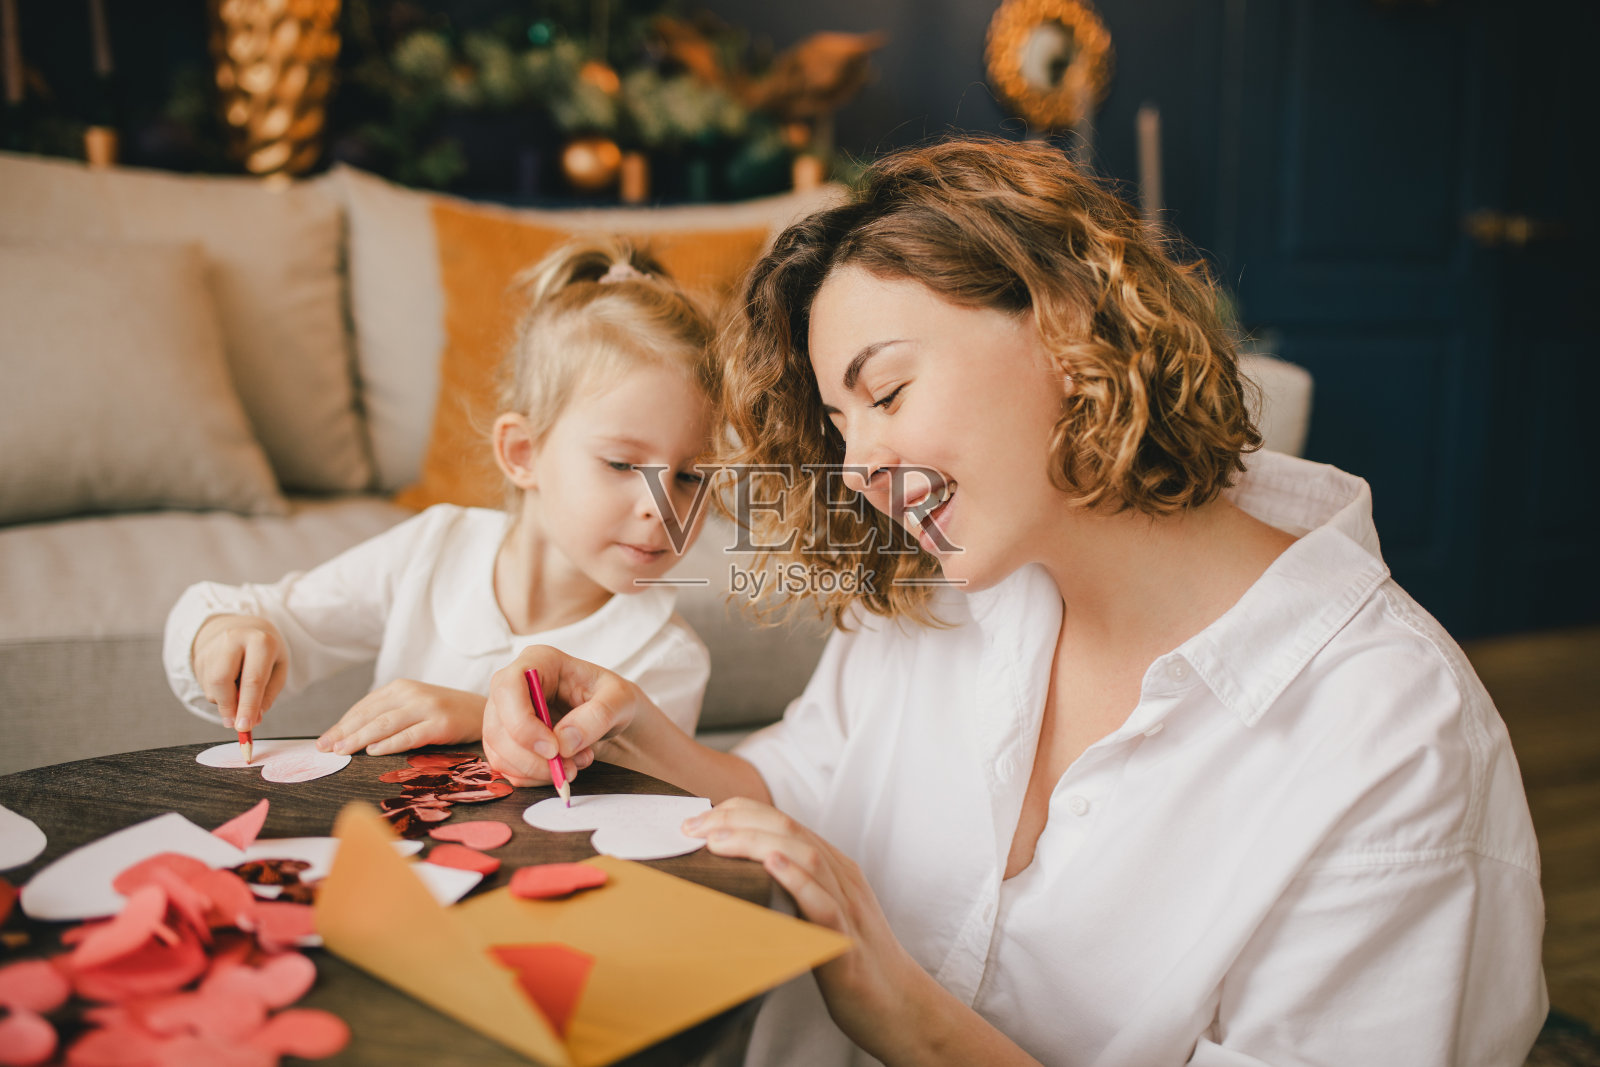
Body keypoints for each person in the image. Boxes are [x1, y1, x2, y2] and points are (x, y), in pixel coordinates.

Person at [481, 139, 1547, 1065]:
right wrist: (630, 725)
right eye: (841, 423)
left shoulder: (1392, 741)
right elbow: (803, 784)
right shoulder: (943, 588)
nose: (857, 467)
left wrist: (909, 1017)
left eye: (887, 390)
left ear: (1068, 324)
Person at [164, 238, 716, 758]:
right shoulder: (435, 549)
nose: (662, 507)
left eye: (692, 476)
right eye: (622, 464)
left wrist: (480, 718)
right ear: (523, 453)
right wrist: (224, 634)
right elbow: (267, 618)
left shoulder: (665, 657)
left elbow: (618, 801)